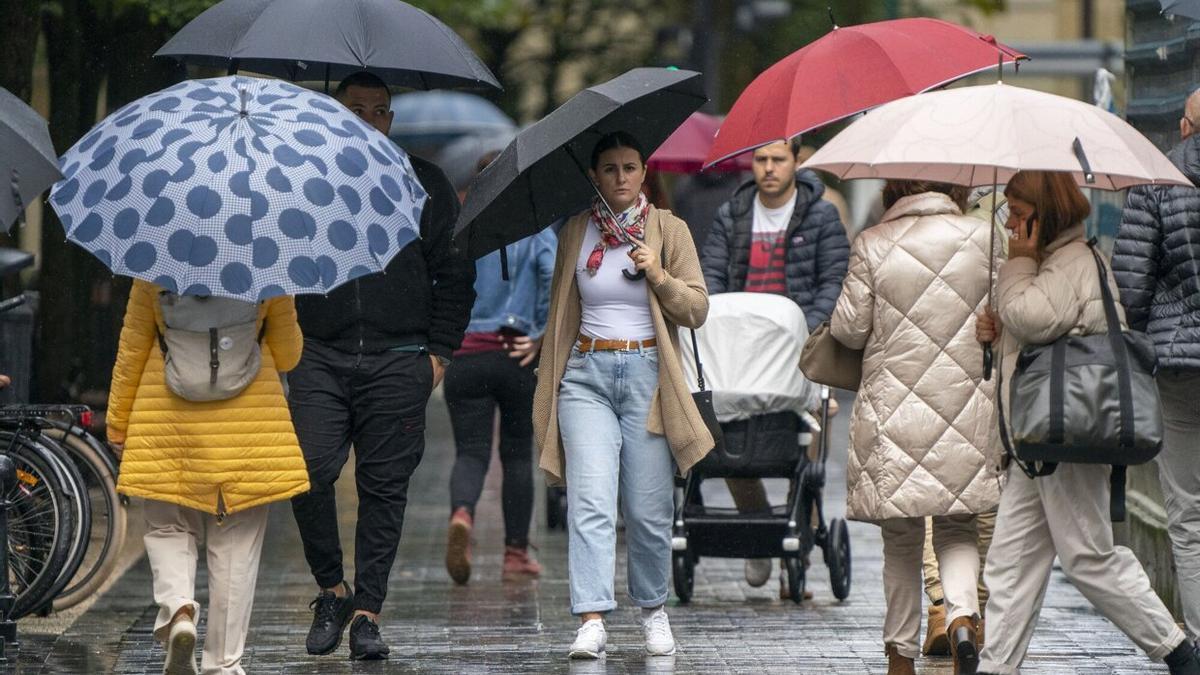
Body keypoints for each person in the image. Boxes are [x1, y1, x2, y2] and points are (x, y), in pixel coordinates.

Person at [974, 170, 1200, 675]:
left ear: (1043, 215)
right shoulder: (1054, 262)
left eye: (1016, 212)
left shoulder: (1069, 262)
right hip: (1043, 440)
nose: (1008, 224)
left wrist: (1014, 269)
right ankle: (995, 668)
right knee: (1010, 565)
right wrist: (997, 330)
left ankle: (1179, 652)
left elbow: (1033, 316)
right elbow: (1031, 332)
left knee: (1089, 558)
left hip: (1066, 435)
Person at [289, 71, 476, 661]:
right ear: (335, 113)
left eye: (380, 110)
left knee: (384, 488)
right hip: (318, 351)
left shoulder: (424, 183)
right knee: (308, 470)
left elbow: (455, 271)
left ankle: (368, 611)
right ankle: (332, 589)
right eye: (356, 108)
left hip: (400, 358)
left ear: (391, 120)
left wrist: (438, 354)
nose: (369, 119)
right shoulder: (306, 178)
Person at [532, 131, 713, 659]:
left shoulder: (668, 229)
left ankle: (654, 610)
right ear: (594, 174)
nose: (620, 178)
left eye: (629, 168)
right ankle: (591, 618)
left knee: (648, 508)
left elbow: (697, 309)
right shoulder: (575, 232)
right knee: (589, 500)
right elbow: (560, 313)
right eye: (608, 168)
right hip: (585, 374)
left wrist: (657, 273)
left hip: (649, 377)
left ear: (643, 172)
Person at [830, 180, 1000, 675]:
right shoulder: (983, 238)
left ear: (894, 190)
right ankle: (964, 616)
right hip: (967, 410)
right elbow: (1002, 314)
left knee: (901, 541)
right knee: (957, 526)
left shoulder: (873, 243)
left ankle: (900, 656)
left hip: (893, 414)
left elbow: (847, 329)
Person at [107, 281, 308, 675]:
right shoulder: (268, 266)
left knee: (168, 527)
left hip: (167, 425)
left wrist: (117, 424)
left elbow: (132, 347)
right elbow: (288, 355)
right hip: (246, 431)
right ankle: (224, 664)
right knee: (235, 547)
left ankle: (180, 610)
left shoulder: (154, 262)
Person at [700, 137, 850, 588]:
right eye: (760, 159)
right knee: (730, 440)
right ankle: (757, 525)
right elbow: (711, 275)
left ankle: (797, 534)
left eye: (777, 159)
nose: (768, 168)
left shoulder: (821, 215)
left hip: (802, 345)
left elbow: (833, 279)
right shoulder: (733, 214)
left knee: (806, 442)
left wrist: (806, 330)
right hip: (741, 346)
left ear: (797, 162)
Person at [444, 150, 556, 585]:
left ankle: (462, 515)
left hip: (467, 354)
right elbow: (548, 271)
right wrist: (541, 330)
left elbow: (446, 283)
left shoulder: (462, 225)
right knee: (516, 455)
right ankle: (514, 554)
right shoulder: (533, 224)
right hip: (515, 354)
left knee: (470, 452)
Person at [1113, 87, 1200, 642]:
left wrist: (1143, 346)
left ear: (1186, 124)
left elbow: (1131, 284)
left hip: (1179, 368)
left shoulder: (1158, 180)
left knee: (1189, 514)